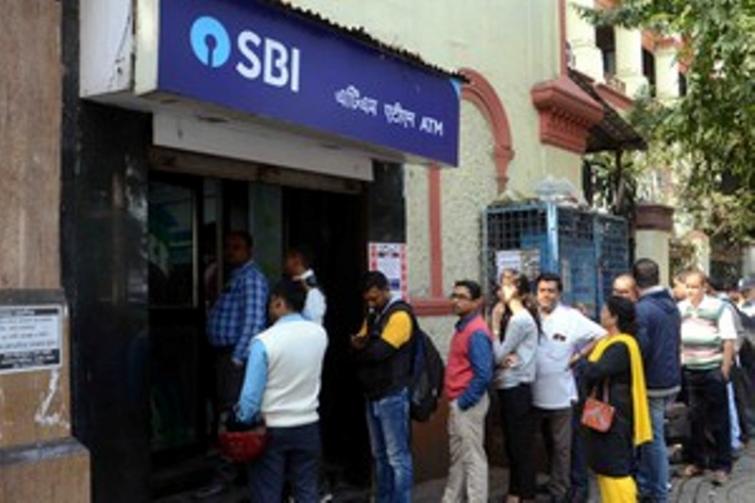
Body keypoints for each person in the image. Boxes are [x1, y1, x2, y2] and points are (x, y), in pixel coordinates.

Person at [233, 279, 328, 502]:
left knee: (267, 494)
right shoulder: (319, 335)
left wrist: (240, 419)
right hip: (308, 425)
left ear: (278, 302)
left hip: (272, 428)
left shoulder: (263, 341)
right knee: (307, 492)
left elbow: (250, 398)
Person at [531, 273, 606, 503]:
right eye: (542, 290)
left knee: (564, 447)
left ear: (559, 294)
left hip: (562, 395)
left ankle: (562, 491)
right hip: (532, 393)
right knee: (545, 444)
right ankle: (550, 483)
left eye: (551, 291)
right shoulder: (529, 315)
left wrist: (580, 355)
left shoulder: (571, 317)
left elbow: (601, 335)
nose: (546, 295)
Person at [351, 271, 414, 503]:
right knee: (379, 456)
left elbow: (379, 352)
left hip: (392, 393)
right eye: (368, 299)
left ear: (386, 290)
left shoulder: (400, 315)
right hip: (374, 394)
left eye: (375, 298)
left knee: (397, 457)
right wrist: (362, 346)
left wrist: (363, 346)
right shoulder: (373, 316)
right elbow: (356, 346)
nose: (371, 303)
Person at [582, 296, 652, 503]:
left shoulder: (621, 345)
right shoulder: (609, 341)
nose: (601, 314)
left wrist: (580, 360)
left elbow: (596, 371)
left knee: (615, 468)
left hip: (616, 416)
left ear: (614, 318)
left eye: (605, 311)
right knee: (605, 467)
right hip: (610, 414)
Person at [207, 231, 269, 433]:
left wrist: (238, 357)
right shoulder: (237, 276)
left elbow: (253, 321)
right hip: (225, 353)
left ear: (249, 251)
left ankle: (235, 451)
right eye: (227, 247)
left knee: (233, 407)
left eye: (237, 247)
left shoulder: (251, 278)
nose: (230, 252)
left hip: (236, 355)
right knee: (225, 404)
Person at [678, 270, 737, 485]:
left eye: (695, 287)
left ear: (704, 287)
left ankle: (722, 465)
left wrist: (724, 371)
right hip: (690, 370)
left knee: (719, 420)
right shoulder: (680, 308)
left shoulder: (718, 307)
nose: (691, 291)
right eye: (688, 287)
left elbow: (729, 341)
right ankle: (699, 462)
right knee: (695, 418)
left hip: (712, 369)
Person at [631, 259, 681, 503]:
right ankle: (648, 484)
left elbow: (641, 348)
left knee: (652, 438)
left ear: (635, 281)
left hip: (652, 382)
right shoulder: (670, 304)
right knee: (651, 434)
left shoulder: (643, 309)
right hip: (670, 378)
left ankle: (659, 491)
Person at [442, 280, 494, 503]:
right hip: (460, 400)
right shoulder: (464, 327)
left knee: (473, 459)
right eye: (454, 296)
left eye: (462, 297)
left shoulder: (476, 331)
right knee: (459, 458)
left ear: (477, 302)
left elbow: (483, 374)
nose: (456, 301)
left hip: (468, 403)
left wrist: (463, 402)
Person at [492, 271, 540, 503]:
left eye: (505, 285)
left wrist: (494, 326)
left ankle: (525, 494)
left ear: (516, 290)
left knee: (519, 443)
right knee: (514, 442)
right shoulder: (516, 317)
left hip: (515, 385)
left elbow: (498, 354)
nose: (500, 290)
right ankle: (516, 492)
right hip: (512, 383)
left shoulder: (519, 320)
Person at [284, 246, 327, 325]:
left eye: (287, 259)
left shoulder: (311, 286)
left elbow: (314, 318)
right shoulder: (306, 282)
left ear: (297, 260)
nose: (285, 263)